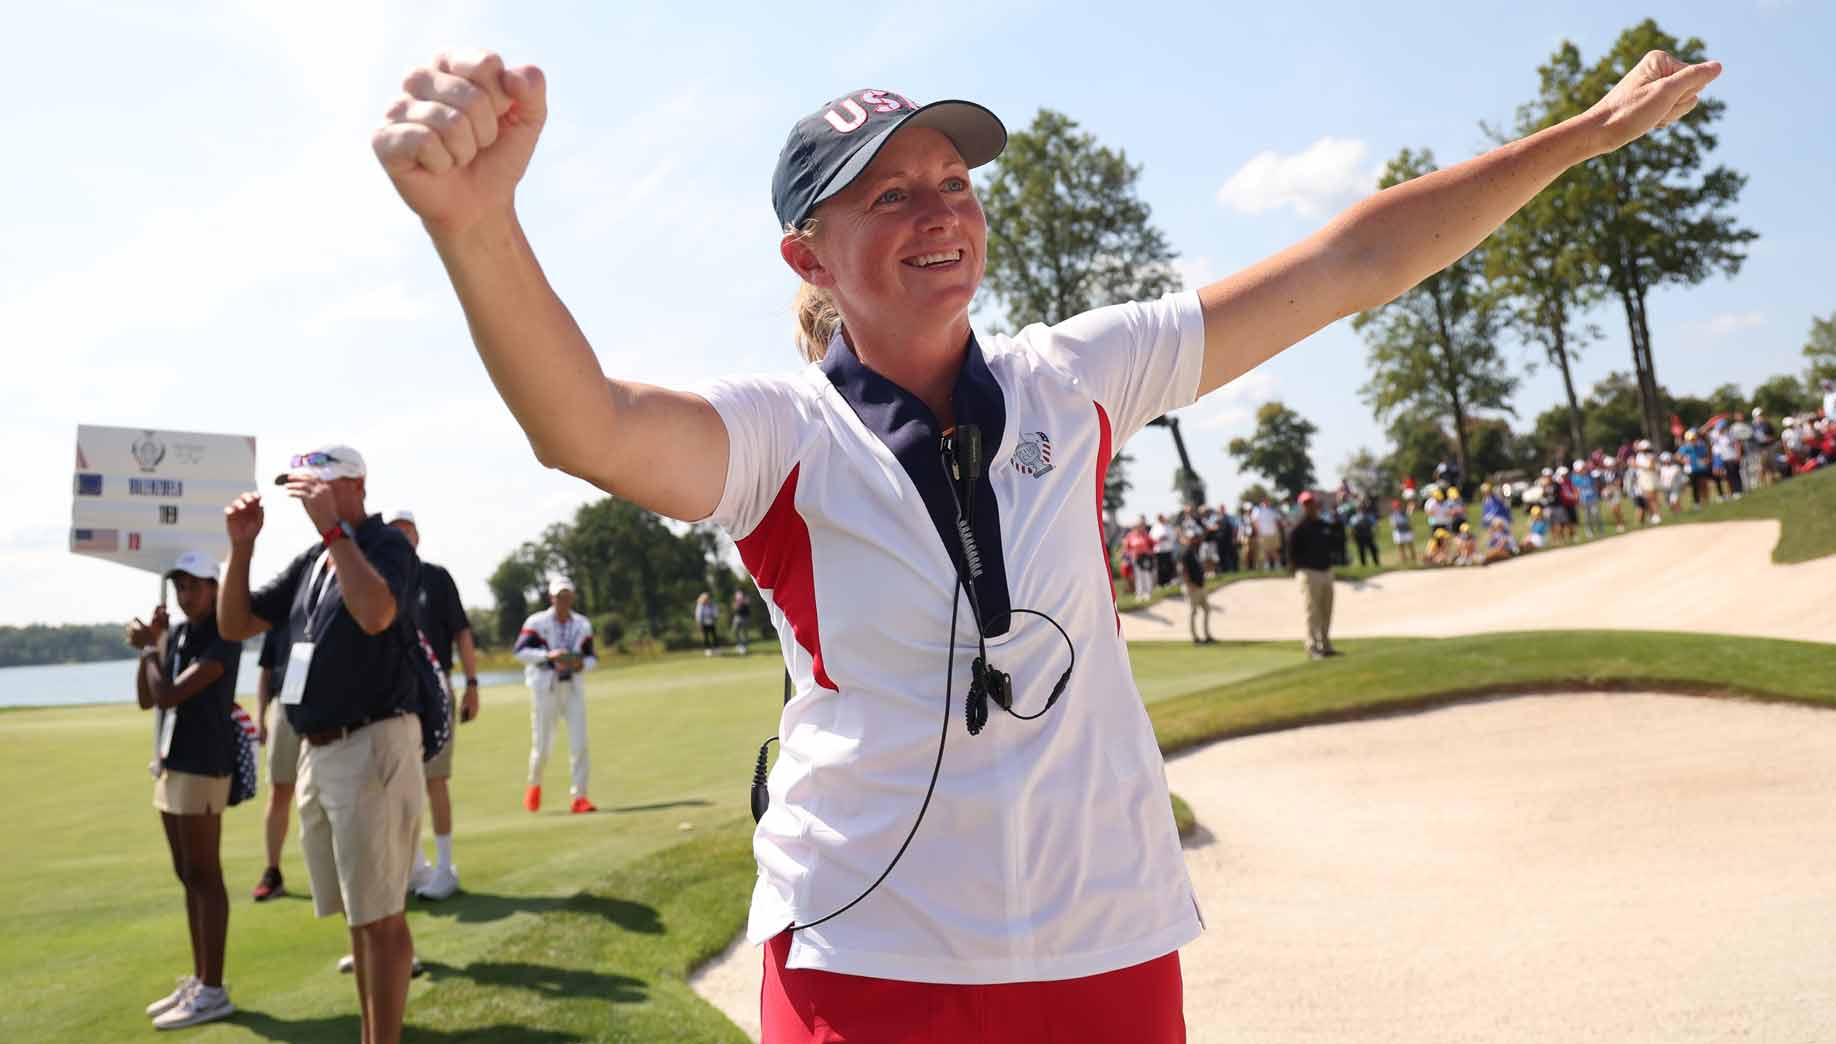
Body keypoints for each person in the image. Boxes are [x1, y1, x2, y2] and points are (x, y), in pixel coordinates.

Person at [373, 44, 1717, 1040]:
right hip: (870, 959)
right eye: (887, 196)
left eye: (953, 182)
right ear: (809, 258)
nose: (939, 212)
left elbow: (1348, 266)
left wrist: (1579, 138)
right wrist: (478, 228)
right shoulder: (783, 436)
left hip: (1105, 944)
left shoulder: (1076, 375)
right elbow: (589, 426)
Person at [217, 446, 423, 1044]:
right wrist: (241, 547)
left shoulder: (385, 546)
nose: (306, 493)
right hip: (320, 750)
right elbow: (235, 624)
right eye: (302, 485)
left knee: (381, 918)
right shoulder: (314, 560)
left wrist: (334, 530)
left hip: (373, 744)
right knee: (359, 917)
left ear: (355, 484)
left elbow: (376, 613)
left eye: (320, 484)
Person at [134, 550, 241, 1030]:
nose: (185, 594)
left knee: (204, 874)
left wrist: (148, 650)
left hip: (204, 763)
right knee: (186, 873)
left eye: (195, 585)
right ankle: (200, 981)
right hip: (172, 762)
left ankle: (214, 990)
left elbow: (170, 693)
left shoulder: (224, 634)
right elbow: (147, 698)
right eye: (180, 585)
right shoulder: (178, 634)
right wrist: (154, 646)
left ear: (215, 588)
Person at [388, 510, 480, 902]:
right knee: (400, 784)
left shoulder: (436, 578)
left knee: (435, 778)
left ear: (418, 537)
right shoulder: (380, 580)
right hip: (394, 692)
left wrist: (472, 684)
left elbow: (462, 633)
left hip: (434, 687)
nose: (401, 538)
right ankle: (415, 867)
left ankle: (444, 868)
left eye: (407, 532)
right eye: (395, 532)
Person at [515, 579, 599, 814]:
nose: (563, 600)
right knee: (542, 747)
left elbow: (592, 657)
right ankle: (534, 785)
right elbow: (520, 652)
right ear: (551, 598)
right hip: (545, 689)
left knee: (579, 743)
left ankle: (580, 797)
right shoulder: (536, 622)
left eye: (567, 596)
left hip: (572, 688)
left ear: (572, 597)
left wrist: (581, 664)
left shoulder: (582, 624)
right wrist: (548, 656)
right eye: (559, 596)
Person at [250, 623, 298, 902]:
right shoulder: (279, 612)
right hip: (285, 703)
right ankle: (273, 871)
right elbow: (266, 670)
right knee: (280, 789)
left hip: (330, 706)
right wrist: (259, 716)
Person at [1288, 492, 1337, 659]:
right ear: (1302, 507)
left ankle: (1325, 644)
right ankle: (1312, 646)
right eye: (1306, 504)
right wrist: (1298, 570)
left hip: (1326, 571)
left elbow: (1335, 542)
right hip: (1309, 572)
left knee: (1326, 610)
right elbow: (1292, 553)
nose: (1309, 507)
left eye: (1311, 503)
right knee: (1312, 611)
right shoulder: (1298, 528)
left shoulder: (1323, 525)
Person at [1178, 529, 1213, 645]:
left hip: (1200, 585)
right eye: (1193, 538)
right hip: (1192, 587)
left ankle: (1207, 635)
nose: (1195, 540)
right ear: (1188, 539)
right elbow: (1183, 570)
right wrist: (1189, 584)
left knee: (1207, 609)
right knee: (1193, 612)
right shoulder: (1186, 552)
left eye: (1195, 538)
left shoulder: (1194, 550)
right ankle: (1195, 637)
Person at [1389, 497, 1416, 565]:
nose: (1398, 507)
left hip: (1407, 531)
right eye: (1396, 507)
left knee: (1410, 545)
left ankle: (1414, 560)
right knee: (1401, 547)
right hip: (1399, 532)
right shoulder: (1393, 515)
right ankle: (1404, 561)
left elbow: (1410, 514)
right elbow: (1393, 525)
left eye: (1398, 506)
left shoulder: (1405, 513)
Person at [696, 591, 720, 656]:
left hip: (712, 622)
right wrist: (699, 624)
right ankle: (708, 650)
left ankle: (716, 649)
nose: (706, 600)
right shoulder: (700, 605)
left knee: (714, 636)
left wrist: (714, 619)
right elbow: (698, 615)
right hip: (703, 623)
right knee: (706, 637)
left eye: (707, 598)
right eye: (705, 598)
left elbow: (715, 613)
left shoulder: (712, 605)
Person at [731, 587, 754, 654]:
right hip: (737, 616)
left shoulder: (746, 598)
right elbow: (734, 607)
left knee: (744, 632)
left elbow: (747, 604)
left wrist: (742, 601)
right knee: (735, 631)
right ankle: (740, 645)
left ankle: (744, 647)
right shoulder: (736, 599)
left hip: (744, 617)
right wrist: (736, 604)